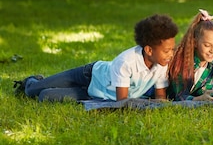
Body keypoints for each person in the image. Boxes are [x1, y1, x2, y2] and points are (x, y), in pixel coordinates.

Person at [14, 14, 179, 102]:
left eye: (172, 50)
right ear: (149, 50)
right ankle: (33, 80)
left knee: (45, 97)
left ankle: (46, 86)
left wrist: (159, 103)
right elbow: (122, 101)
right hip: (90, 75)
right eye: (167, 51)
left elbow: (160, 98)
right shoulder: (126, 62)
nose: (171, 54)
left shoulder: (162, 65)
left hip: (94, 93)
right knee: (31, 91)